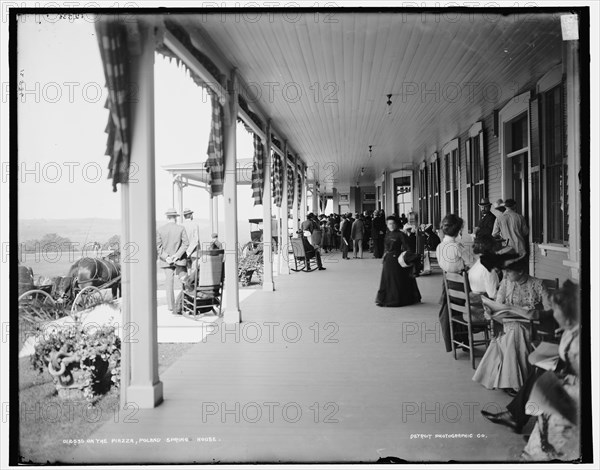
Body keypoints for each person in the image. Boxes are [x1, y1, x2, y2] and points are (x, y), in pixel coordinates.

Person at [481, 281, 580, 462]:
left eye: (557, 311)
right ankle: (522, 421)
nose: (554, 314)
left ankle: (528, 426)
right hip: (564, 380)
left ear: (567, 315)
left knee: (539, 372)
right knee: (537, 370)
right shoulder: (570, 329)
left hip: (574, 391)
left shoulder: (579, 341)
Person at [472, 257, 552, 392]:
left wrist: (532, 313)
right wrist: (490, 312)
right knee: (514, 330)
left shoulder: (538, 284)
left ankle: (511, 381)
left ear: (520, 271)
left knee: (515, 331)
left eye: (509, 272)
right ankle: (513, 381)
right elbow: (498, 304)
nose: (506, 275)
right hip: (508, 323)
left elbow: (549, 310)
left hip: (532, 325)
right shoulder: (505, 283)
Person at [436, 214, 470, 352]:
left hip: (447, 283)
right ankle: (468, 336)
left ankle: (459, 339)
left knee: (454, 310)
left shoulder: (440, 246)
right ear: (458, 231)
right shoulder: (457, 246)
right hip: (460, 283)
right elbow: (471, 262)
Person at [375, 216, 421, 307]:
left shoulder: (401, 234)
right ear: (387, 225)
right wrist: (383, 257)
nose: (391, 225)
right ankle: (384, 299)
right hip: (387, 259)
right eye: (389, 224)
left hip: (397, 260)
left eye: (393, 223)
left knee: (395, 280)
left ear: (396, 224)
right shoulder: (387, 234)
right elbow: (385, 248)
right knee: (386, 279)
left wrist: (406, 257)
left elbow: (408, 247)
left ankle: (396, 300)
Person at [157, 208, 189, 312]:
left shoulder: (160, 230)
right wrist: (177, 255)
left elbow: (158, 247)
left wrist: (167, 257)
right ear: (175, 217)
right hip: (179, 260)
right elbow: (186, 244)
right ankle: (184, 303)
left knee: (169, 283)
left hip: (166, 261)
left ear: (167, 217)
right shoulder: (181, 228)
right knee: (184, 281)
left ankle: (171, 306)